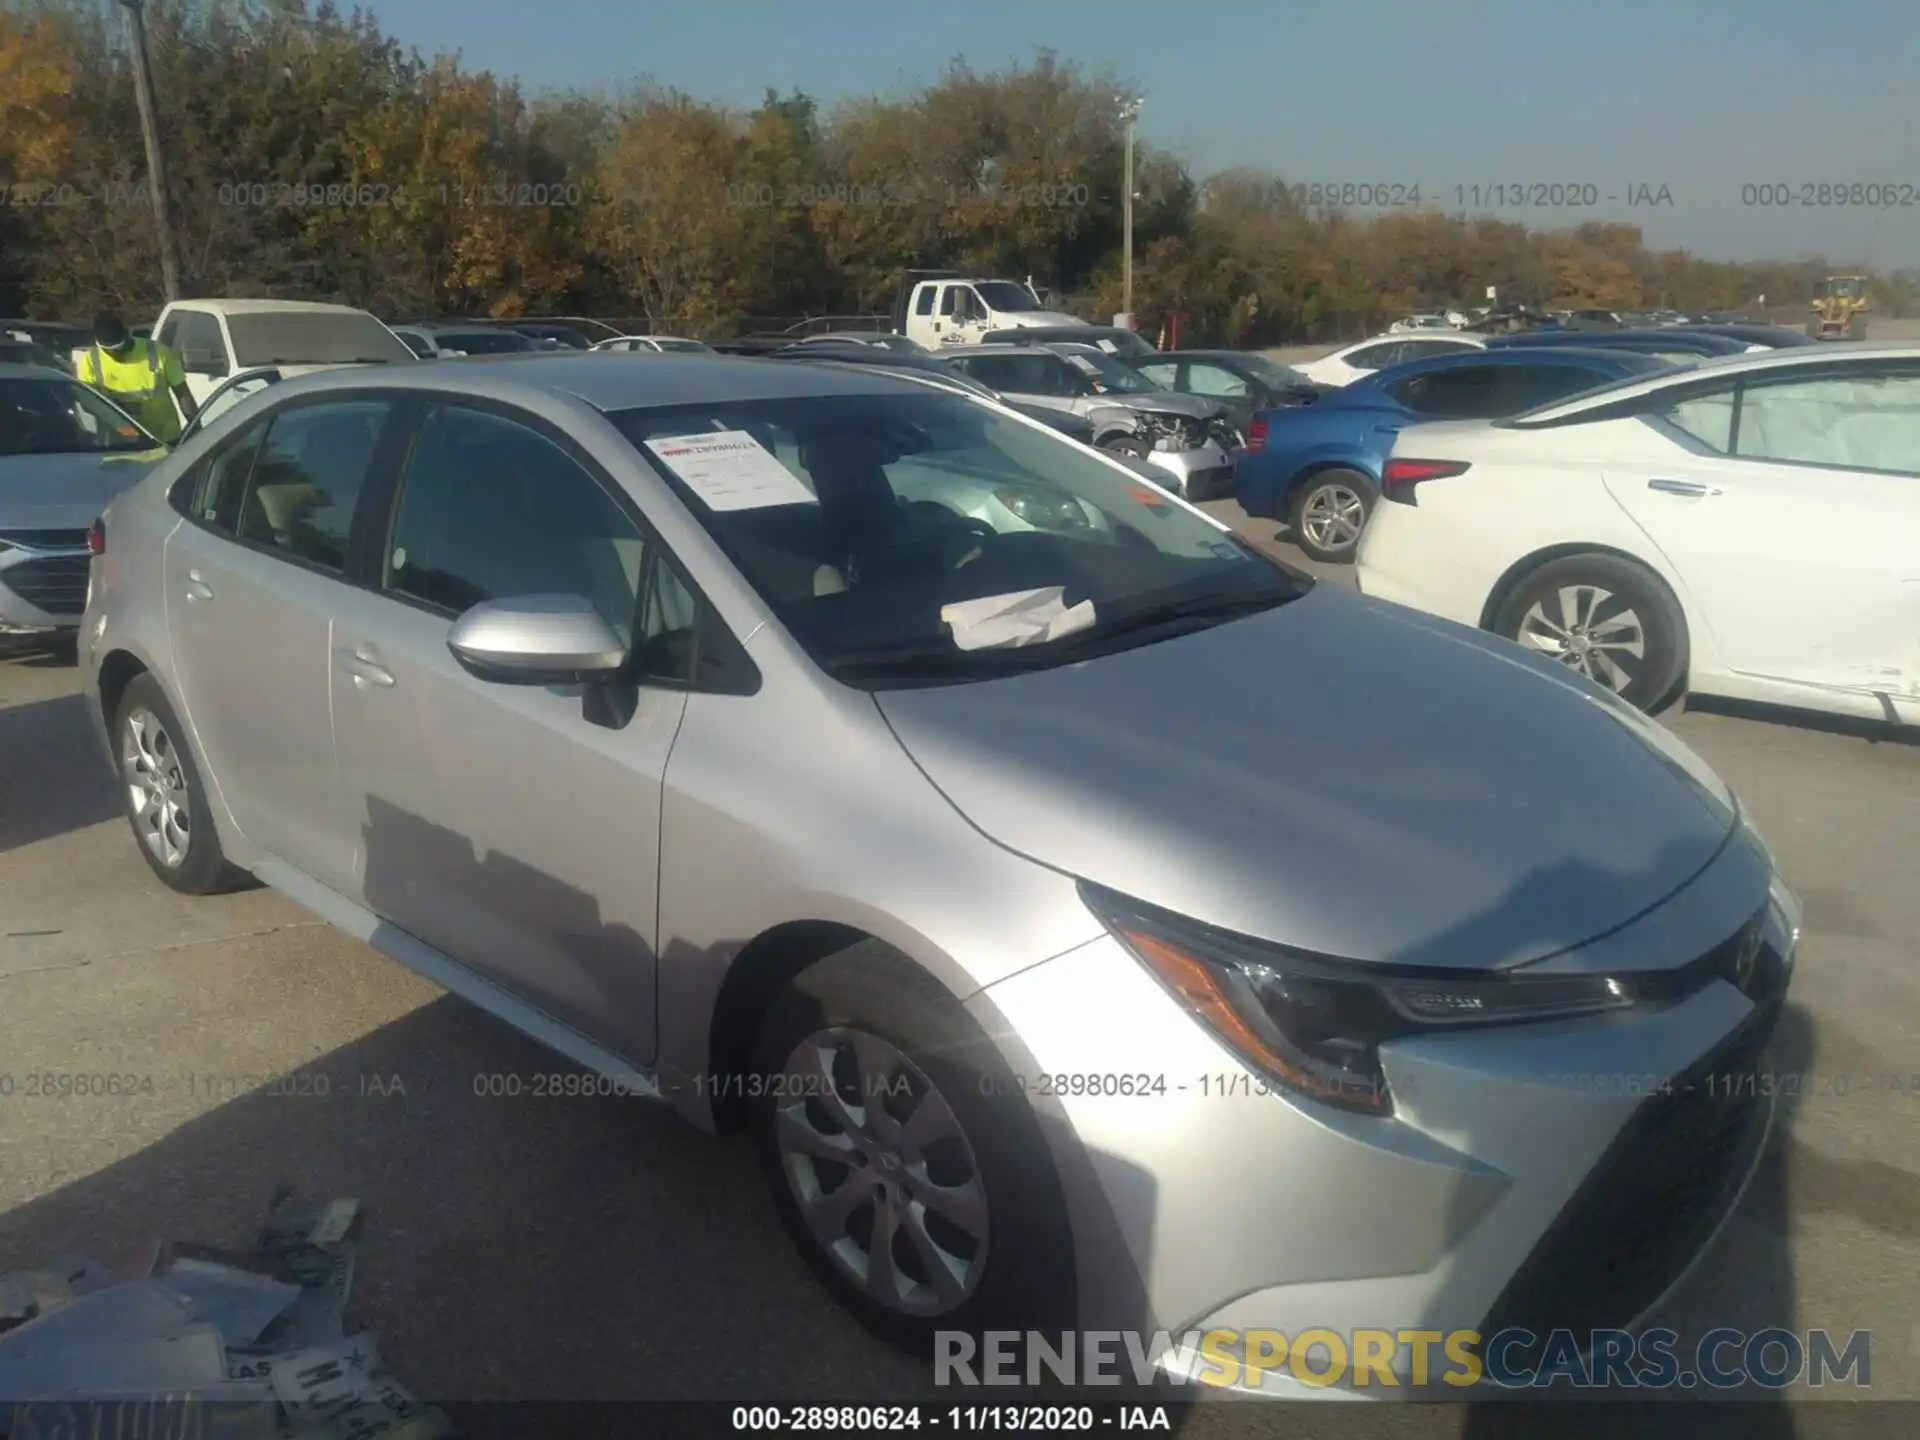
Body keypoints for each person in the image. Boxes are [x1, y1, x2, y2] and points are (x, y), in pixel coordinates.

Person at [75, 310, 197, 443]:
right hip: (118, 443)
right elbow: (88, 402)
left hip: (164, 438)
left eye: (119, 348)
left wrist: (196, 428)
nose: (114, 354)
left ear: (127, 336)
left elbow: (183, 393)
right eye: (108, 350)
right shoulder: (90, 361)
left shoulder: (159, 353)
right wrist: (126, 428)